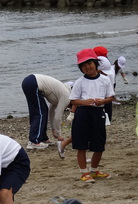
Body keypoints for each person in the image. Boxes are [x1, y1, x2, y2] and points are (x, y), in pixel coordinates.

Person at [69, 48, 115, 183]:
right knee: (81, 144)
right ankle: (84, 172)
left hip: (98, 112)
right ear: (80, 68)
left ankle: (94, 171)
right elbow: (73, 100)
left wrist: (103, 101)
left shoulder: (105, 80)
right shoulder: (79, 82)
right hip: (82, 113)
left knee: (99, 143)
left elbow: (110, 97)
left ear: (95, 63)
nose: (87, 67)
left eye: (89, 63)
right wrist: (84, 102)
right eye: (83, 65)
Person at [21, 74, 72, 149]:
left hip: (29, 82)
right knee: (40, 113)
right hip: (33, 83)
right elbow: (58, 116)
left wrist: (53, 129)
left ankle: (42, 138)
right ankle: (34, 141)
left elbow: (51, 112)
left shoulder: (60, 92)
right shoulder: (66, 96)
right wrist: (58, 134)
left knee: (42, 111)